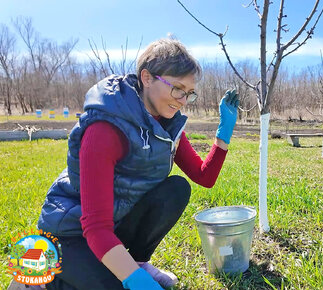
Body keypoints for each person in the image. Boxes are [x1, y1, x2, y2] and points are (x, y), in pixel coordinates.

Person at [36, 38, 239, 289]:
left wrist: (224, 133)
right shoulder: (105, 129)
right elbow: (96, 227)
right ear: (146, 78)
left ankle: (137, 261)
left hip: (113, 223)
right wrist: (135, 281)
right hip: (70, 233)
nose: (183, 100)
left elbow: (203, 177)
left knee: (176, 189)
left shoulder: (166, 127)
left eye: (189, 93)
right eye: (177, 88)